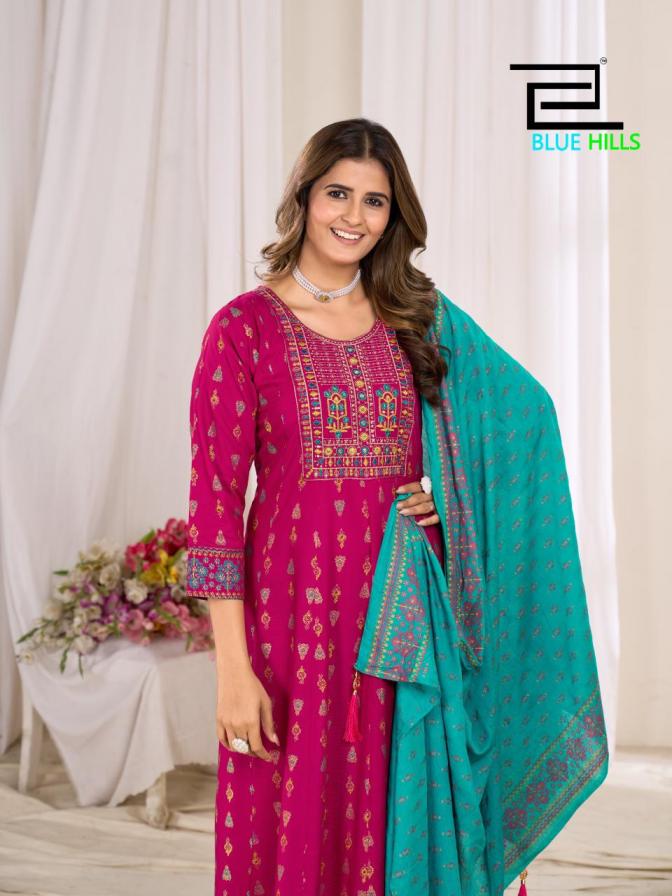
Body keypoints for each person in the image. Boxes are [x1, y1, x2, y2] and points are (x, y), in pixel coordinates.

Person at [185, 118, 608, 896]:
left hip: (407, 625)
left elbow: (524, 420)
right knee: (291, 818)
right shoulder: (243, 331)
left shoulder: (417, 318)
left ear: (393, 215)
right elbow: (213, 505)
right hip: (292, 627)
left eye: (374, 201)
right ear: (304, 199)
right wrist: (232, 673)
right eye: (337, 194)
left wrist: (450, 497)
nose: (354, 216)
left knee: (398, 814)